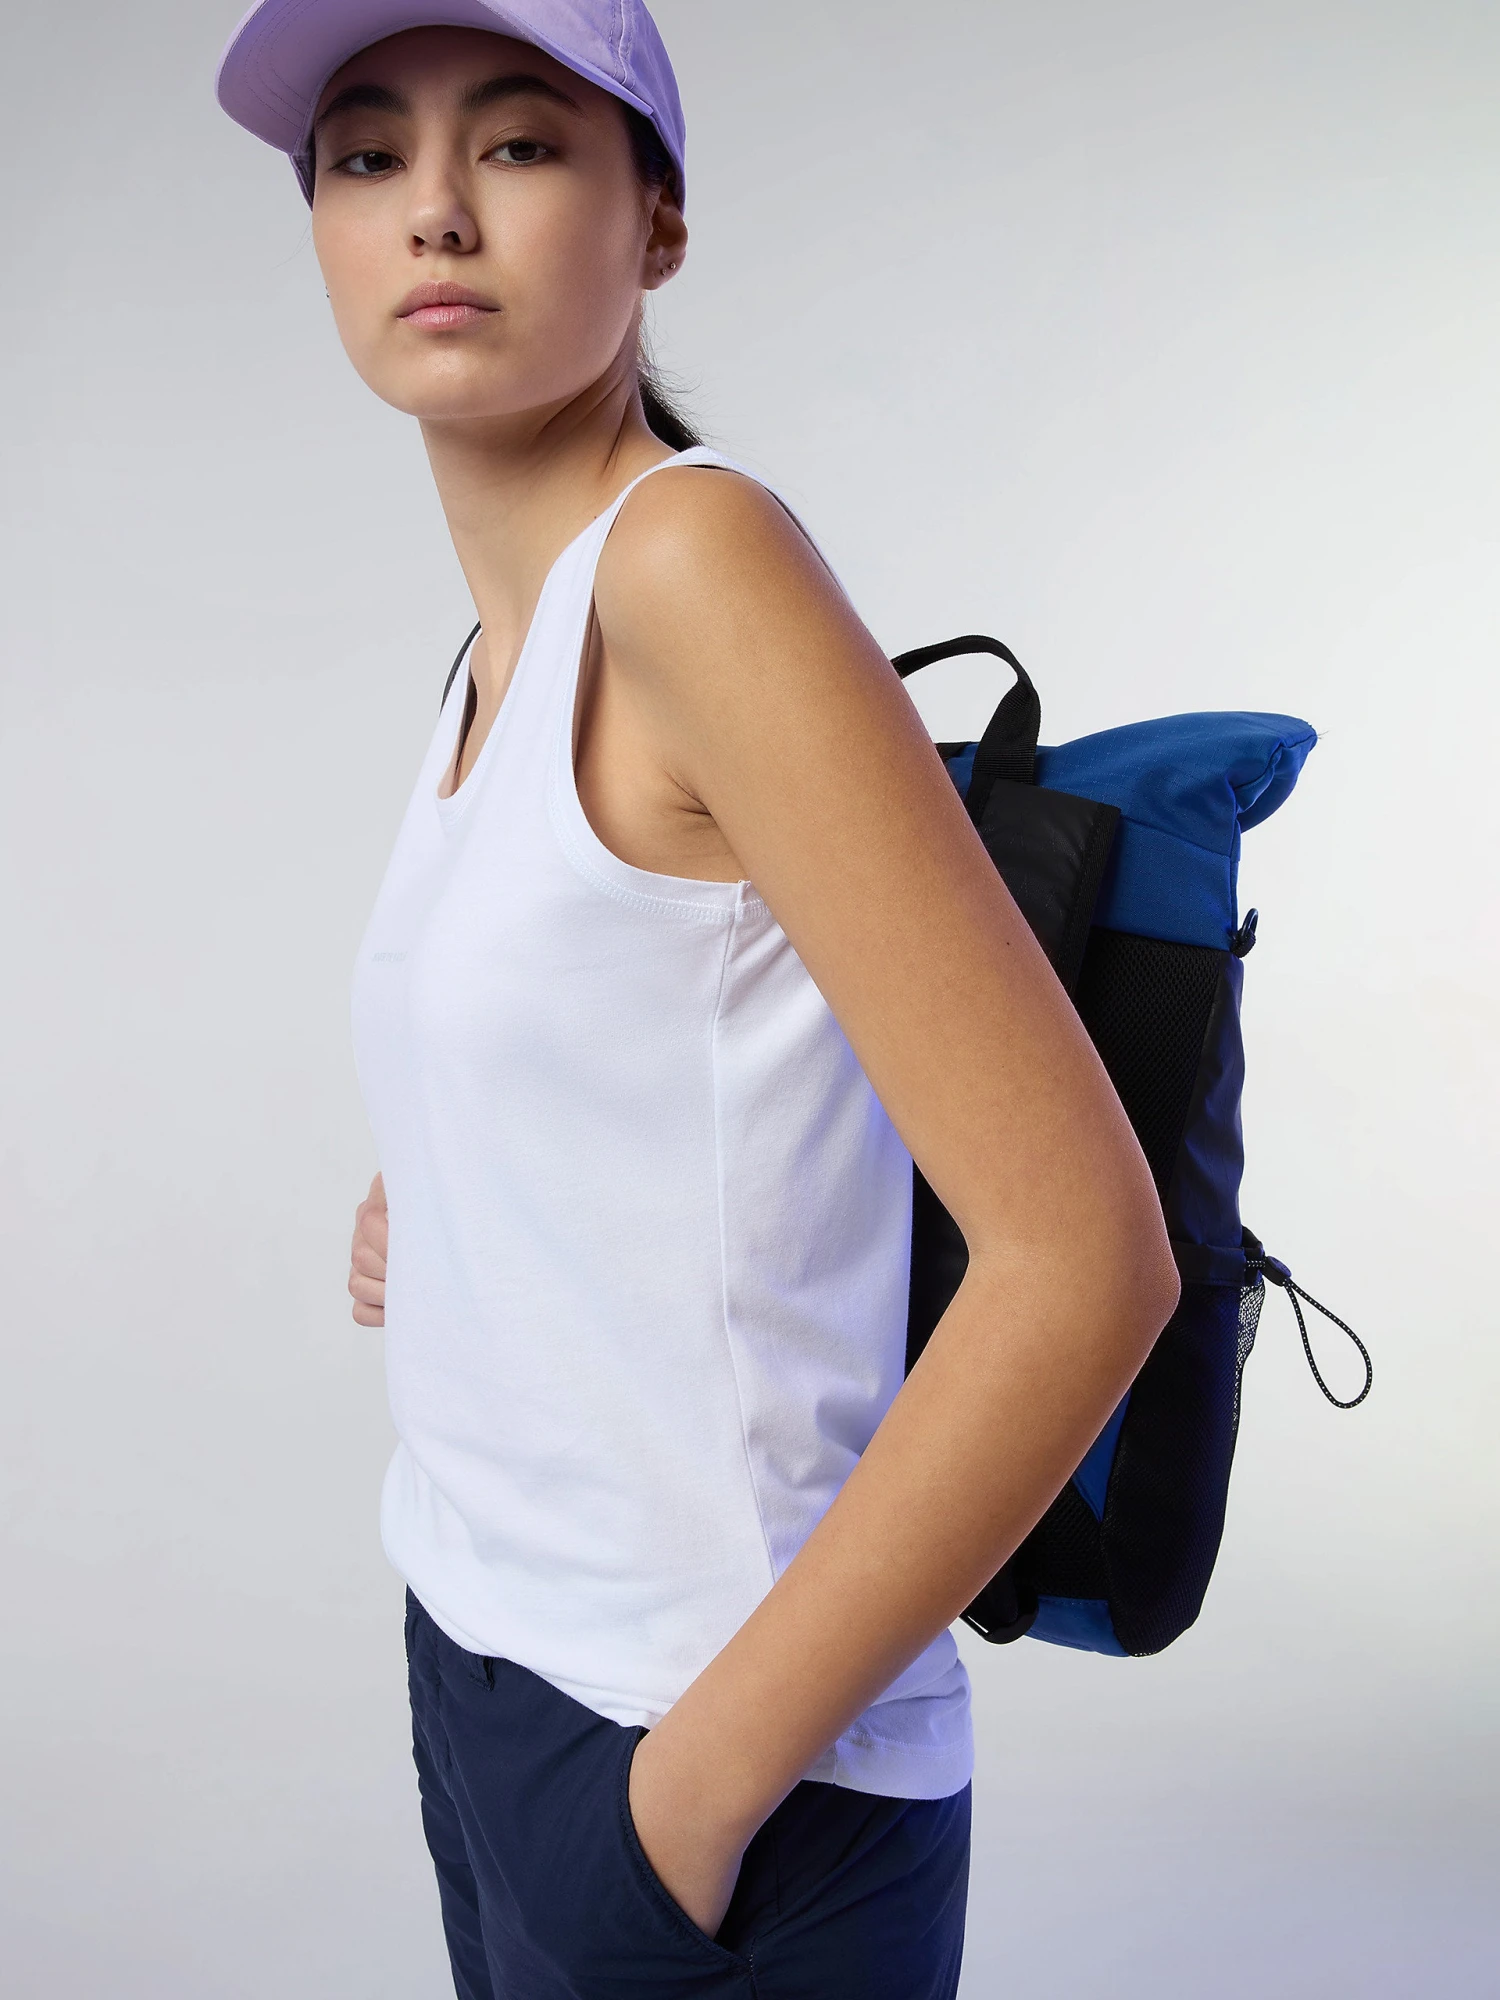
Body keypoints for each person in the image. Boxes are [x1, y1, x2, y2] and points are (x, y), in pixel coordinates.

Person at [216, 4, 1180, 1994]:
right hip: (489, 1669)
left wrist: (691, 1799)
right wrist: (452, 1193)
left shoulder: (694, 563)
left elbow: (1086, 1261)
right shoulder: (501, 648)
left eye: (520, 143)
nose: (436, 212)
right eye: (367, 155)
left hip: (717, 1766)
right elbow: (650, 1046)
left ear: (656, 220)